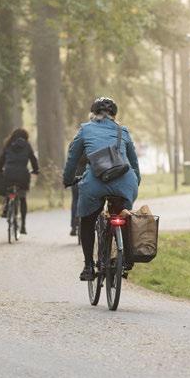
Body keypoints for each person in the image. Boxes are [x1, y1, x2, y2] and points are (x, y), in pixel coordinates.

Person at [63, 97, 141, 281]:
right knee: (123, 215)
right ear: (114, 116)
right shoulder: (123, 131)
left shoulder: (85, 130)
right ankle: (125, 257)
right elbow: (135, 164)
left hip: (95, 182)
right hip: (125, 181)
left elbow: (72, 159)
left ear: (93, 114)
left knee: (87, 220)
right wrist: (134, 183)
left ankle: (89, 266)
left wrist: (67, 180)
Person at [0, 128, 39, 234]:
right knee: (22, 198)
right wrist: (35, 170)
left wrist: (0, 169)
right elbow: (33, 159)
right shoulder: (27, 146)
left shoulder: (8, 145)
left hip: (9, 173)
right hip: (22, 175)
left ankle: (6, 208)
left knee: (8, 191)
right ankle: (23, 225)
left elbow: (1, 159)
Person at [69, 153, 88, 236]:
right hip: (88, 178)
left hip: (75, 177)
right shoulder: (90, 144)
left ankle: (74, 226)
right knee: (89, 200)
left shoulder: (74, 145)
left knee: (75, 200)